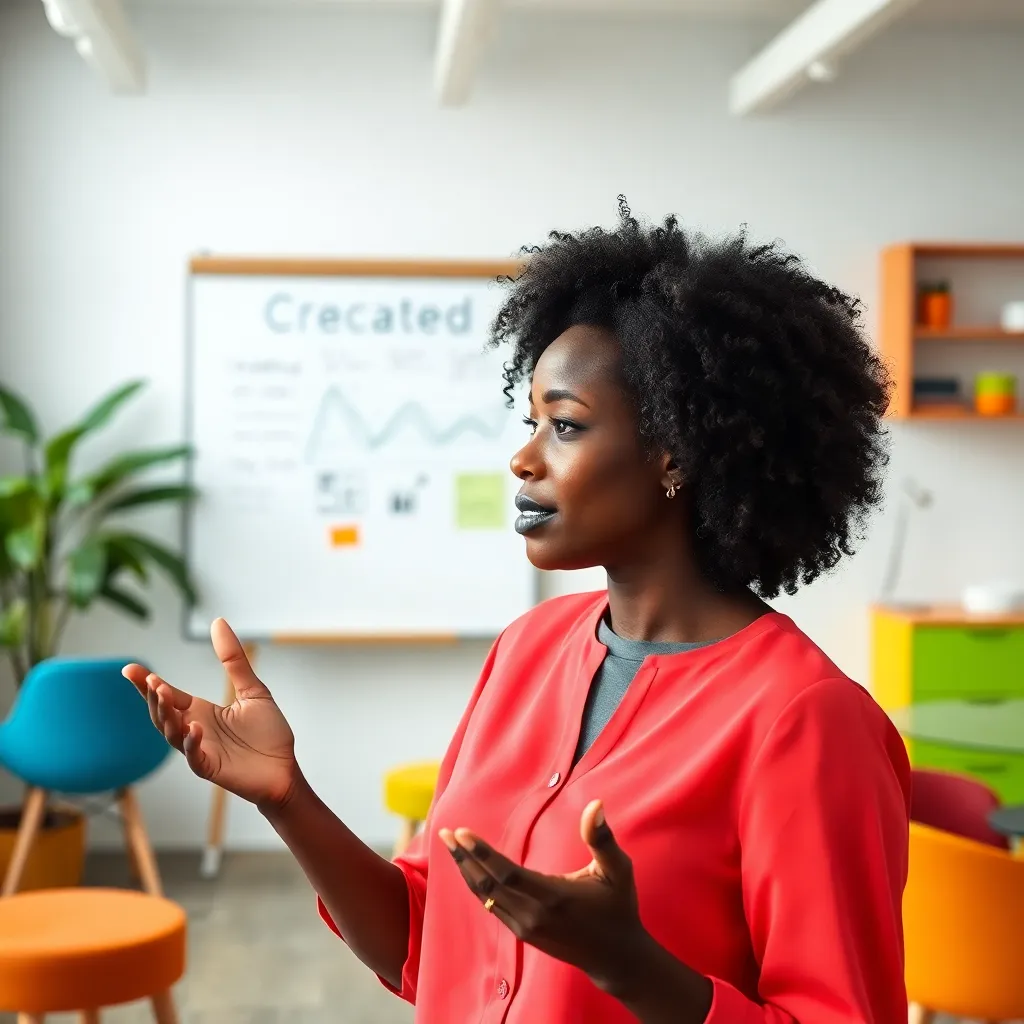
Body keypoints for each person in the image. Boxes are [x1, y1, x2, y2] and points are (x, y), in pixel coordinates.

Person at [124, 198, 911, 1024]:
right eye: (530, 420)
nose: (523, 458)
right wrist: (287, 798)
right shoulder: (528, 649)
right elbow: (423, 950)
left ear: (676, 450)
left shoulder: (808, 721)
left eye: (565, 426)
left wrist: (634, 968)